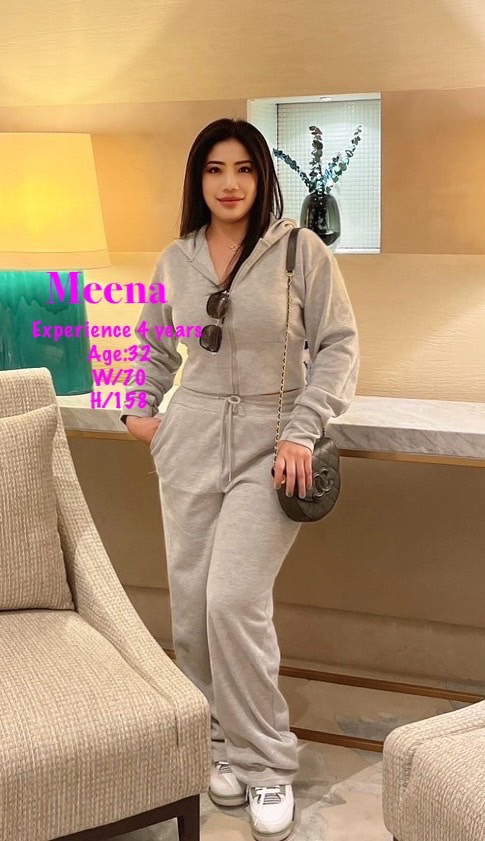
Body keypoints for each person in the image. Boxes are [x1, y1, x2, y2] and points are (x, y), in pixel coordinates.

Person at [119, 117, 359, 841]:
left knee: (232, 602)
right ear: (198, 180)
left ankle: (266, 762)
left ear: (263, 177)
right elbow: (153, 344)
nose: (229, 184)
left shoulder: (300, 250)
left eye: (244, 169)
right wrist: (138, 410)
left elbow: (338, 345)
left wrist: (301, 428)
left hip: (271, 444)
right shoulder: (177, 257)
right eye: (215, 169)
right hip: (190, 439)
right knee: (192, 610)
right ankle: (217, 742)